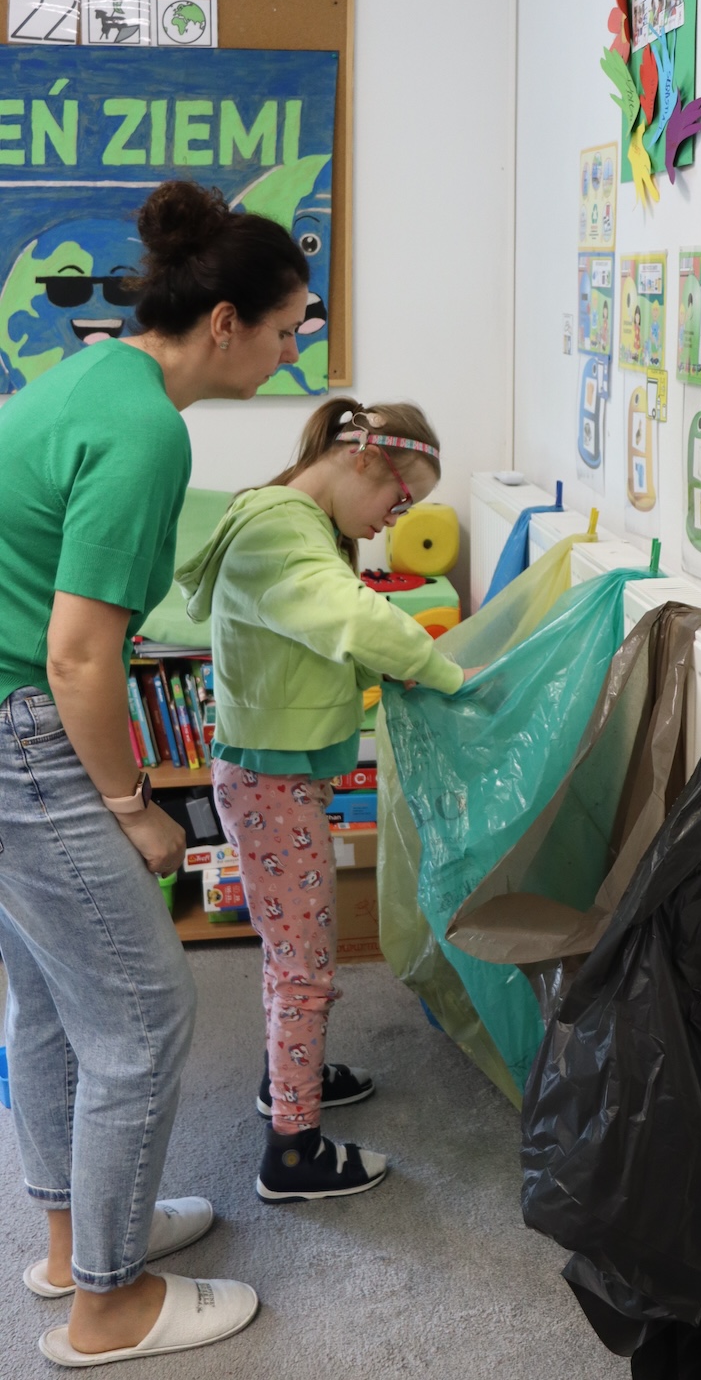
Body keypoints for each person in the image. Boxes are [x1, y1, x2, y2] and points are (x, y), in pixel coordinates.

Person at [0, 180, 312, 1367]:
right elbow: (79, 656)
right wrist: (135, 810)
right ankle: (110, 1306)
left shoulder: (91, 378)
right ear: (224, 322)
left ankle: (75, 1243)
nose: (290, 356)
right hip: (26, 731)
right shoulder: (145, 432)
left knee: (52, 999)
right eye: (283, 331)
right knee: (141, 1017)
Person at [177, 400, 466, 1203]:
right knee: (305, 965)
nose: (391, 522)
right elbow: (346, 614)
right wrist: (443, 672)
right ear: (366, 458)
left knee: (293, 951)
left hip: (274, 771)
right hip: (270, 781)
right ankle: (292, 1151)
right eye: (399, 500)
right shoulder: (281, 530)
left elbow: (309, 639)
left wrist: (396, 668)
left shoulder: (287, 520)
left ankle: (287, 1080)